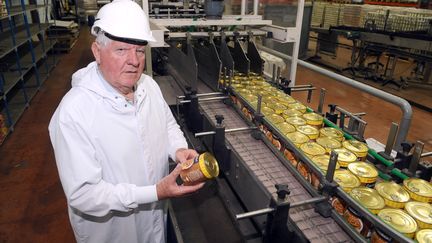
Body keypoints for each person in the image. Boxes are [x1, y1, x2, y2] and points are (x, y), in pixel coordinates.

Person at [48, 0, 204, 242]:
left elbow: (167, 125)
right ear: (97, 52)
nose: (134, 60)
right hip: (113, 233)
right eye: (121, 50)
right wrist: (154, 192)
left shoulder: (148, 87)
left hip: (154, 222)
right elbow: (84, 194)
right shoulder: (74, 113)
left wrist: (178, 149)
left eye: (140, 50)